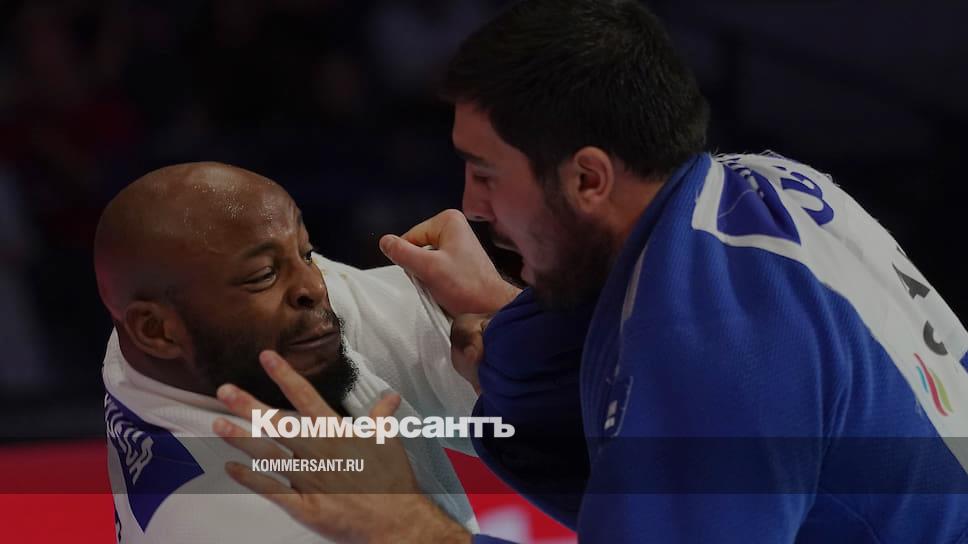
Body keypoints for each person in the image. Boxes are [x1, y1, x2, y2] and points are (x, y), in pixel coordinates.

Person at [216, 0, 968, 542]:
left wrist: (405, 524)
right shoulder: (759, 185)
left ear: (587, 179)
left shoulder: (709, 348)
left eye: (486, 173)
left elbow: (695, 376)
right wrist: (509, 316)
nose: (472, 206)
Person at [93, 162, 480, 543]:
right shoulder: (228, 522)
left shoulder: (179, 336)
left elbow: (492, 383)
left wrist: (497, 310)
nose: (314, 285)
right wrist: (410, 524)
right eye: (264, 274)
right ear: (156, 331)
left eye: (306, 254)